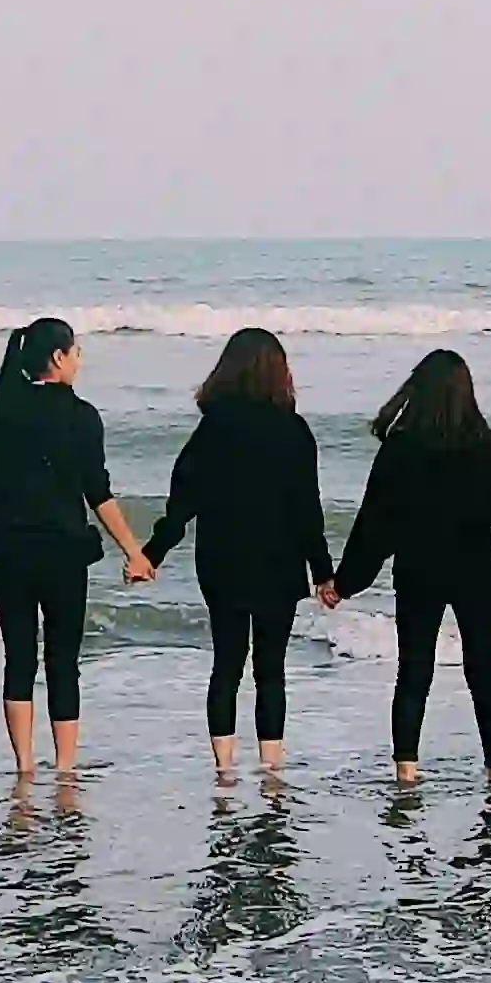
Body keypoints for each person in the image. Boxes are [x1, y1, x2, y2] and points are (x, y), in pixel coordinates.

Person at [0, 315, 158, 781]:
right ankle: (64, 769)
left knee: (19, 658)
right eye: (77, 352)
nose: (80, 360)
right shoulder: (83, 417)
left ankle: (24, 768)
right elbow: (98, 494)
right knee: (63, 661)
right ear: (59, 358)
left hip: (11, 554)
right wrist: (134, 552)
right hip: (65, 556)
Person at [329, 349, 491, 784]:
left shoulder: (401, 449)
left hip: (417, 571)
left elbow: (373, 525)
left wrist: (346, 582)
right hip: (474, 571)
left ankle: (406, 774)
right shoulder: (485, 448)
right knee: (485, 674)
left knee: (413, 672)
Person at [151, 326, 338, 783]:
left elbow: (182, 501)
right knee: (270, 669)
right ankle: (272, 772)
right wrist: (324, 573)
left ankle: (224, 770)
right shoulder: (294, 431)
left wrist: (152, 553)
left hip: (222, 563)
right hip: (278, 564)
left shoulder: (210, 429)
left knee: (226, 665)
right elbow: (306, 508)